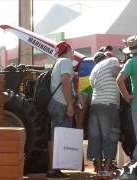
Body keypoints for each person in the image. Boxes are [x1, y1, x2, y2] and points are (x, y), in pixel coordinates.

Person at [87, 51, 121, 177]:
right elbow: (116, 74)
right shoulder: (112, 60)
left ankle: (99, 169)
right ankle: (106, 170)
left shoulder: (94, 69)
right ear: (105, 57)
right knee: (110, 136)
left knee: (96, 137)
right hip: (109, 104)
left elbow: (93, 85)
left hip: (95, 105)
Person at [47, 41, 75, 180]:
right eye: (72, 49)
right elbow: (65, 81)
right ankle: (53, 171)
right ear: (68, 49)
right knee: (58, 137)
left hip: (55, 103)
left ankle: (54, 169)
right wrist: (70, 104)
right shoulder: (66, 62)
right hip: (61, 104)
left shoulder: (58, 61)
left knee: (55, 137)